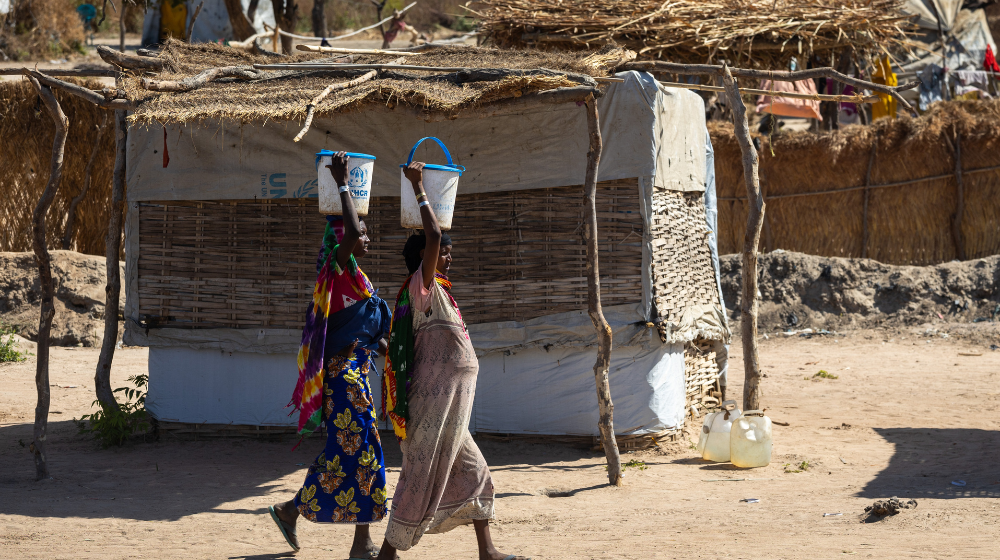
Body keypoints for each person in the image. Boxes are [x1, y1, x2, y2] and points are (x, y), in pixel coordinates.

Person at [377, 162, 529, 560]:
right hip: (434, 405)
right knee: (419, 475)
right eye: (444, 253)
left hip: (452, 411)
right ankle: (386, 556)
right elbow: (433, 232)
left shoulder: (439, 292)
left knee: (475, 471)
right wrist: (420, 187)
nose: (448, 257)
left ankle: (487, 551)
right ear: (427, 257)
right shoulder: (421, 286)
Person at [269, 152, 391, 559]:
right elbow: (352, 234)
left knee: (350, 452)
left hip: (356, 373)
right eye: (361, 231)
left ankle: (293, 512)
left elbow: (367, 330)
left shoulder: (355, 279)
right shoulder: (335, 269)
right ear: (344, 239)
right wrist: (342, 183)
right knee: (363, 451)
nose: (366, 236)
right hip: (344, 378)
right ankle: (357, 542)